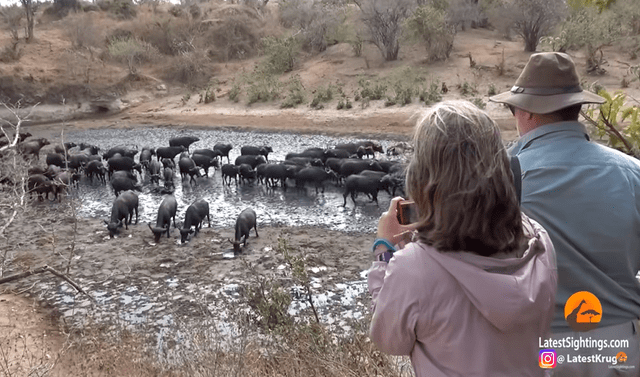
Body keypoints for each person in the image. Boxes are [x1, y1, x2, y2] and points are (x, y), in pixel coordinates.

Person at [368, 100, 557, 377]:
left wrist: (384, 253)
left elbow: (389, 340)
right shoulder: (539, 241)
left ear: (424, 178)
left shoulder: (413, 268)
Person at [490, 51, 640, 376]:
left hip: (542, 347)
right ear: (577, 108)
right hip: (619, 348)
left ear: (527, 111)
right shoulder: (633, 173)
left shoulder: (498, 178)